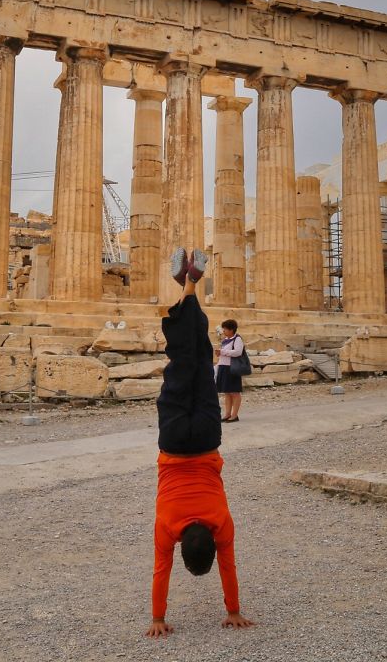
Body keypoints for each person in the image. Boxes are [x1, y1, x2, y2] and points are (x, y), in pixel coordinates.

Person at [147, 246, 255, 639]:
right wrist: (157, 618)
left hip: (207, 441)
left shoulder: (221, 527)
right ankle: (187, 288)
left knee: (200, 362)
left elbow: (229, 567)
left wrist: (235, 610)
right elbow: (161, 572)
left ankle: (191, 285)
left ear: (209, 540)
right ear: (181, 545)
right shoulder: (167, 528)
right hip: (174, 444)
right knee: (181, 361)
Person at [215, 318, 244, 422]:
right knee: (227, 392)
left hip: (232, 368)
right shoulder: (225, 340)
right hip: (223, 367)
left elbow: (238, 352)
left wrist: (222, 352)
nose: (224, 331)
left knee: (235, 392)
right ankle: (227, 414)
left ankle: (234, 415)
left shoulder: (237, 339)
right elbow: (225, 353)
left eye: (225, 329)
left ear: (231, 329)